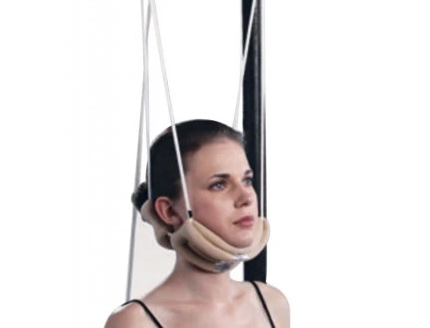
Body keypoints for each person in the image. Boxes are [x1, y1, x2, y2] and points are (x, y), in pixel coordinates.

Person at [104, 119, 290, 328]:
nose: (246, 197)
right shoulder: (135, 322)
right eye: (219, 185)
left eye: (247, 180)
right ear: (169, 211)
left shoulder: (272, 303)